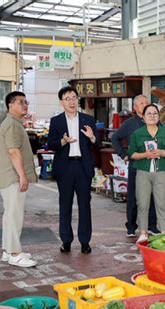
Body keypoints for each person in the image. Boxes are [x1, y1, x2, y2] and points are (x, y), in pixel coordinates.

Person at [47, 86, 97, 254]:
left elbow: (96, 144)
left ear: (78, 100)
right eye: (67, 98)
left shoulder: (88, 120)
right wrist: (63, 142)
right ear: (62, 102)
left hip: (83, 167)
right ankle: (66, 240)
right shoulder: (56, 121)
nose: (72, 101)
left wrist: (92, 137)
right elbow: (50, 144)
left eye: (74, 97)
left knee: (85, 205)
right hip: (65, 167)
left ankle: (85, 242)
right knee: (65, 205)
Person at [0, 91, 37, 267]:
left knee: (10, 215)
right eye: (20, 102)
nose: (25, 105)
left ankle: (8, 251)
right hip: (13, 177)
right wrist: (22, 176)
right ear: (10, 105)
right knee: (14, 215)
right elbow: (14, 151)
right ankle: (15, 253)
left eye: (25, 102)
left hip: (9, 176)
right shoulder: (12, 125)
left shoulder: (13, 123)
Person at [127, 104, 165, 243]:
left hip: (160, 172)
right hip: (143, 172)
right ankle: (143, 232)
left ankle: (163, 232)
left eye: (155, 113)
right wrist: (145, 154)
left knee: (161, 203)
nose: (152, 116)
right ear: (143, 117)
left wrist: (162, 152)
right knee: (143, 203)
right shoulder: (137, 134)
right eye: (149, 113)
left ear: (158, 116)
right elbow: (131, 154)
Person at [111, 95, 159, 237]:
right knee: (133, 197)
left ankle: (151, 225)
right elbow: (115, 138)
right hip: (136, 165)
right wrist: (123, 154)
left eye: (147, 102)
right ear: (136, 107)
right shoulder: (130, 123)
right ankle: (131, 226)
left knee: (152, 196)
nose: (145, 105)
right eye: (142, 103)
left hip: (152, 165)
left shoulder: (155, 122)